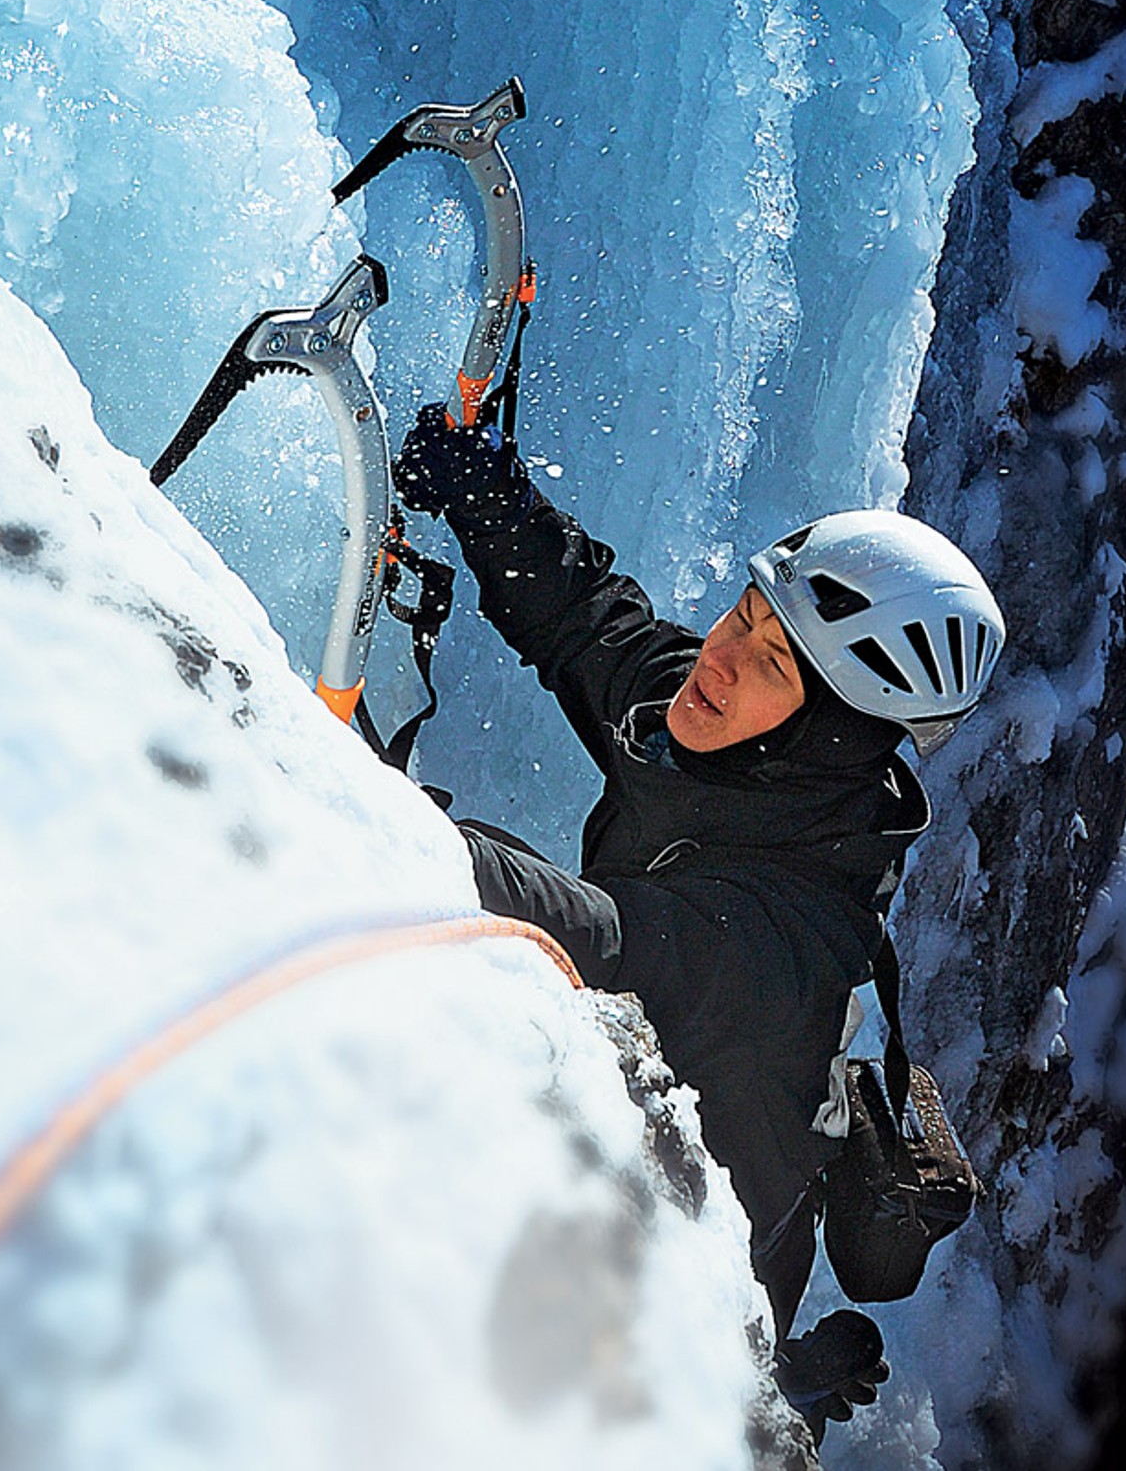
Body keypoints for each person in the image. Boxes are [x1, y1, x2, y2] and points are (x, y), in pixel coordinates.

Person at [395, 403, 1004, 1438]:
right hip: (632, 1104)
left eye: (770, 664)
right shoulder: (714, 721)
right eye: (743, 618)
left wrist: (380, 819)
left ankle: (775, 1395)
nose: (718, 658)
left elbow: (596, 931)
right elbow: (588, 621)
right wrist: (477, 489)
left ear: (833, 738)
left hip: (692, 1265)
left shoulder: (798, 931)